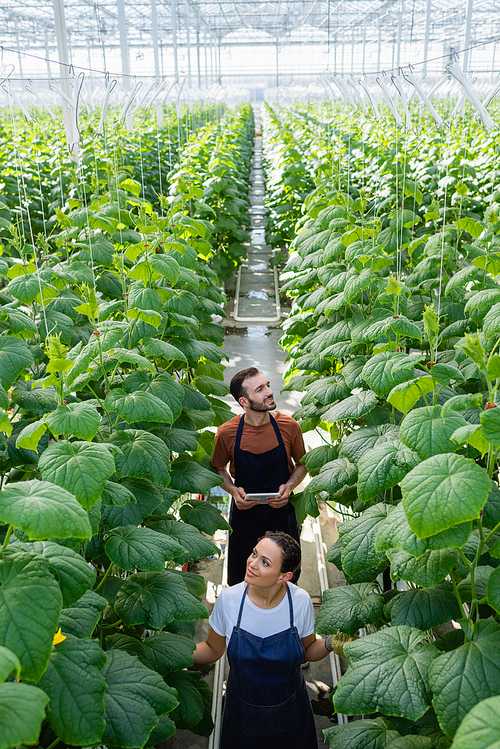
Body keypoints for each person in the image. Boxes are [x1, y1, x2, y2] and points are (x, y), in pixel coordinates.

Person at [193, 531, 338, 749]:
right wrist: (172, 653)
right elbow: (213, 649)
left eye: (265, 562)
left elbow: (308, 650)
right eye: (254, 553)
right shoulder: (229, 600)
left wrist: (330, 643)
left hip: (291, 712)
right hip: (241, 713)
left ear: (284, 577)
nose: (252, 563)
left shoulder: (299, 602)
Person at [211, 367, 307, 586]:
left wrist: (289, 486)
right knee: (242, 578)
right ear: (244, 401)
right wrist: (234, 491)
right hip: (245, 520)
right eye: (260, 389)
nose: (269, 392)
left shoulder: (288, 426)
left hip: (282, 516)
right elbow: (218, 469)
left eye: (268, 385)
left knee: (286, 577)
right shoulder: (227, 433)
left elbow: (302, 465)